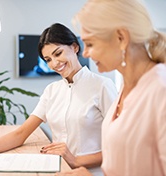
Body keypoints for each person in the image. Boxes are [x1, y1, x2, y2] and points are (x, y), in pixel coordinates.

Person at [0, 23, 117, 176]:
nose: (54, 64)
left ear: (75, 47)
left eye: (58, 53)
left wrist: (75, 160)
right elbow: (21, 133)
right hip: (59, 170)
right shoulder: (52, 91)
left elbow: (120, 147)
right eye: (48, 59)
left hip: (92, 173)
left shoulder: (102, 86)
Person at [56, 0, 166, 176]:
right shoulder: (126, 87)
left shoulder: (160, 90)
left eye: (90, 44)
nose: (84, 54)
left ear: (121, 38)